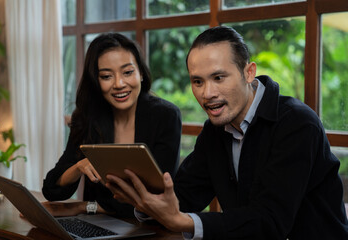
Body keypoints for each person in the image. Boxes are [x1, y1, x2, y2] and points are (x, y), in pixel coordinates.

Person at [105, 26, 348, 239]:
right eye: (197, 81)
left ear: (248, 72)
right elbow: (185, 196)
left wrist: (182, 221)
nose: (207, 93)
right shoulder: (215, 130)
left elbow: (270, 222)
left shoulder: (297, 123)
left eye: (218, 77)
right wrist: (144, 202)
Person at [42, 33, 182, 218]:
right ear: (96, 81)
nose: (119, 84)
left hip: (152, 228)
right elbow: (51, 189)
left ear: (140, 73)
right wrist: (78, 167)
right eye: (106, 76)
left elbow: (157, 198)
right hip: (98, 227)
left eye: (127, 72)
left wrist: (83, 207)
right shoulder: (88, 117)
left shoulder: (165, 116)